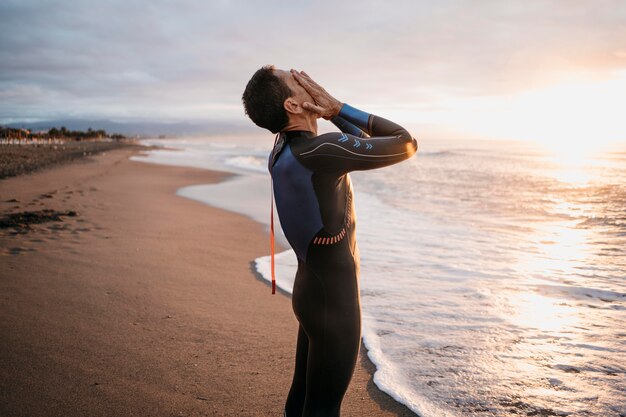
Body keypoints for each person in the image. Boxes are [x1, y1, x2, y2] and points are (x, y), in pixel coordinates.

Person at [242, 66, 417, 417]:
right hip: (334, 305)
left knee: (302, 404)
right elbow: (405, 143)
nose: (310, 82)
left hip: (311, 293)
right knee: (322, 410)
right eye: (298, 82)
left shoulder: (285, 147)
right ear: (292, 105)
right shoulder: (319, 151)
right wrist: (338, 108)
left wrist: (331, 114)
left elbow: (363, 147)